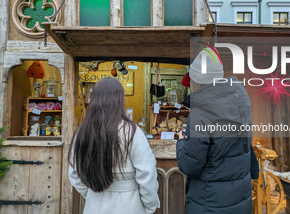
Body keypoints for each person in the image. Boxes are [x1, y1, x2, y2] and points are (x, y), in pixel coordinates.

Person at [177, 48, 258, 214]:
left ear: (195, 82)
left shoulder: (200, 114)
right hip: (240, 198)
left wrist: (181, 141)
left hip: (210, 202)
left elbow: (190, 166)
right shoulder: (241, 103)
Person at [68, 77, 160, 214]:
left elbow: (75, 174)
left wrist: (93, 195)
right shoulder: (132, 131)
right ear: (119, 100)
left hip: (95, 205)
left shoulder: (82, 132)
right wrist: (149, 207)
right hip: (129, 205)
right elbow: (147, 175)